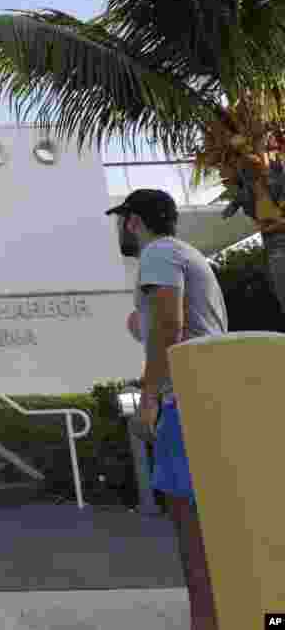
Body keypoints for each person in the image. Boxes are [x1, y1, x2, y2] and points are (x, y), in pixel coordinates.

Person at [106, 189, 227, 630]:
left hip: (186, 403)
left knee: (193, 537)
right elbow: (170, 324)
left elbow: (171, 325)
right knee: (217, 532)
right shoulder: (184, 253)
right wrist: (143, 324)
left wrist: (149, 398)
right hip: (210, 397)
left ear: (133, 222)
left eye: (122, 221)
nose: (121, 230)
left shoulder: (156, 254)